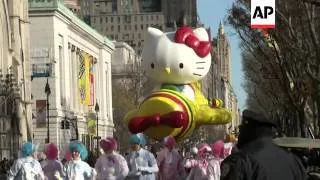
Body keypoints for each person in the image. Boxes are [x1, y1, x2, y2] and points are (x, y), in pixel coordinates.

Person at [220, 110, 307, 180]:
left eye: (241, 128)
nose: (239, 133)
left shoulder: (239, 161)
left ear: (249, 131)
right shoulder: (294, 161)